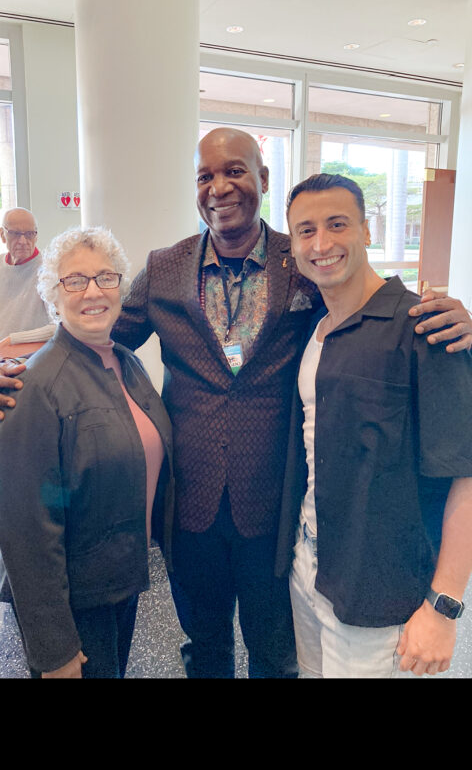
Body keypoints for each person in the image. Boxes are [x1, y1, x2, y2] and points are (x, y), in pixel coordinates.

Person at [0, 130, 471, 678]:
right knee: (205, 647)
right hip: (190, 510)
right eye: (205, 176)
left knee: (275, 652)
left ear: (262, 179)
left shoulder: (303, 258)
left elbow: (361, 299)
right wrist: (15, 365)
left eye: (235, 171)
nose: (220, 187)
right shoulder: (165, 268)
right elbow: (93, 330)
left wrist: (449, 314)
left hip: (277, 510)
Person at [275, 172, 472, 678]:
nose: (322, 244)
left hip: (380, 591)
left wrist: (444, 606)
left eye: (337, 224)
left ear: (366, 230)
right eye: (306, 230)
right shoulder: (313, 328)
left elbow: (466, 476)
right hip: (309, 568)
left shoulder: (425, 327)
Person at [0, 226, 173, 678]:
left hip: (122, 580)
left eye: (105, 277)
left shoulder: (127, 363)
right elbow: (26, 530)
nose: (93, 291)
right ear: (53, 296)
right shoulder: (36, 386)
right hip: (74, 600)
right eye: (75, 280)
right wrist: (53, 647)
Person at [0, 207, 55, 346]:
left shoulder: (50, 270)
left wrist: (13, 340)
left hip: (28, 354)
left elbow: (60, 326)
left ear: (36, 236)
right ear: (2, 235)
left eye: (30, 234)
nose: (23, 241)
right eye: (15, 233)